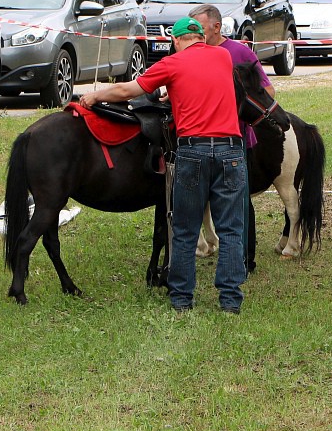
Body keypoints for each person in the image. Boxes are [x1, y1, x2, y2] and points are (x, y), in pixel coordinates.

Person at [78, 17, 247, 314]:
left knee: (184, 228)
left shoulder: (172, 63)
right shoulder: (222, 56)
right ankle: (230, 301)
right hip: (230, 151)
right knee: (231, 229)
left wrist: (94, 96)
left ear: (176, 41)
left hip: (193, 151)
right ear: (202, 38)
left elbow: (127, 91)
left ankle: (182, 299)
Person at [189, 4, 273, 267]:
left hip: (237, 142)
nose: (195, 35)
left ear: (216, 27)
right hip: (199, 142)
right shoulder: (189, 52)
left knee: (239, 203)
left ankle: (246, 259)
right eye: (191, 30)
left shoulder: (239, 52)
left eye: (199, 29)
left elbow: (268, 94)